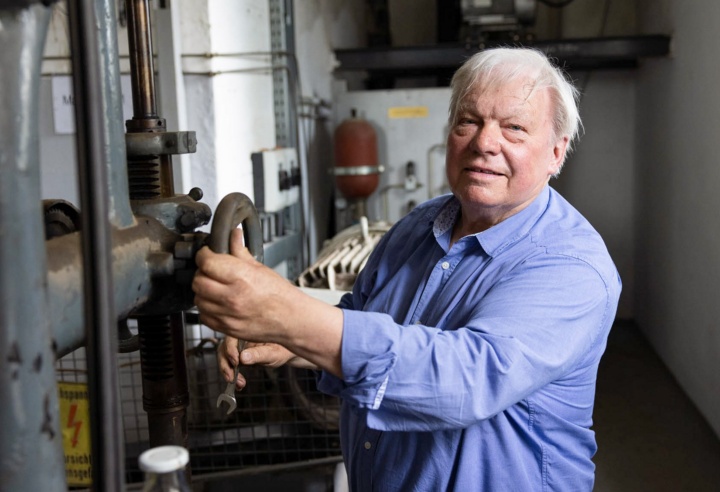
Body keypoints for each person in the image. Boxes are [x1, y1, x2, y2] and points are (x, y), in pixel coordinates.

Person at [192, 46, 621, 491]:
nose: (484, 143)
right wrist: (285, 339)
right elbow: (359, 318)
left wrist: (291, 317)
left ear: (556, 152)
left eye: (513, 128)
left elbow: (464, 379)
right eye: (468, 121)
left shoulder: (570, 265)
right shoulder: (420, 226)